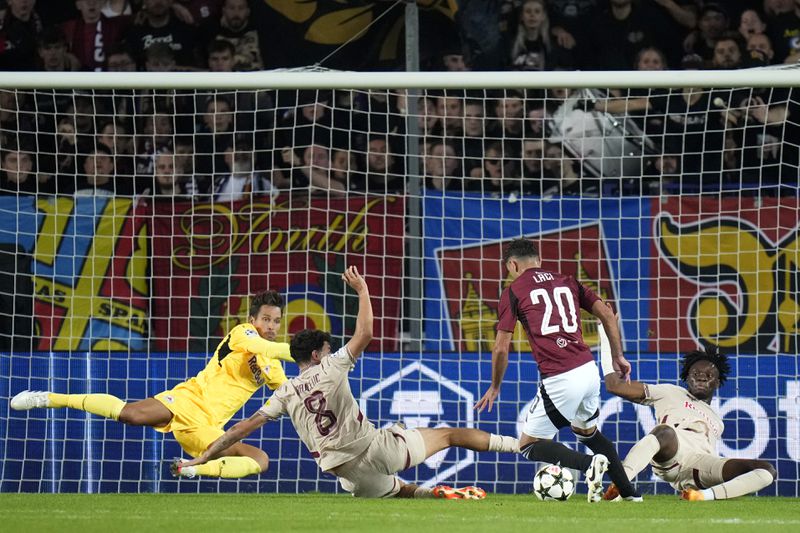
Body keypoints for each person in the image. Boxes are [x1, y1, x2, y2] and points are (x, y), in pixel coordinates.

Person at [174, 266, 519, 499]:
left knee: (401, 491)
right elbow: (366, 332)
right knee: (449, 435)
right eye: (327, 347)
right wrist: (363, 289)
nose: (331, 350)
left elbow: (236, 432)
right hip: (377, 449)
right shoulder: (333, 366)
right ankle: (517, 446)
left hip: (350, 477)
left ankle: (435, 495)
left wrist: (198, 459)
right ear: (317, 355)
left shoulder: (284, 393)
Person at [11, 290, 296, 479]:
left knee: (261, 459)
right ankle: (47, 398)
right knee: (131, 415)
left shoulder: (274, 368)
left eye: (276, 321)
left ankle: (193, 470)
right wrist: (300, 350)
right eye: (266, 319)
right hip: (187, 400)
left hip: (207, 428)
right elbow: (264, 347)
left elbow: (289, 394)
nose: (271, 326)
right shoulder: (242, 333)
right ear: (252, 319)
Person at [474, 238, 640, 502]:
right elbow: (608, 314)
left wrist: (495, 386)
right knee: (588, 433)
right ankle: (632, 494)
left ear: (513, 265)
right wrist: (618, 355)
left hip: (560, 376)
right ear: (539, 261)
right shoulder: (568, 280)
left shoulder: (514, 290)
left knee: (528, 445)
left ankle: (589, 465)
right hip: (588, 369)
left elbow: (501, 348)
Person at [599, 324, 777, 501]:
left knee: (767, 470)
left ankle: (701, 496)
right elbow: (615, 385)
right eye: (696, 373)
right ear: (687, 377)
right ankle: (621, 485)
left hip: (702, 465)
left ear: (717, 382)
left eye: (709, 375)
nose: (702, 376)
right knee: (664, 431)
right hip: (673, 452)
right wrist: (605, 333)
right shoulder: (669, 392)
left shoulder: (717, 422)